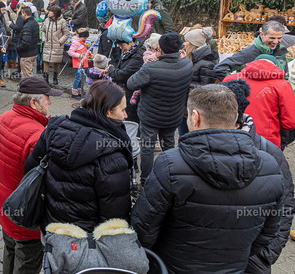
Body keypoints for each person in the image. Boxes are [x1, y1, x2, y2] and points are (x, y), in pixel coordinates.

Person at [131, 85, 284, 273]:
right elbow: (269, 232)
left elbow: (144, 227)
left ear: (195, 117)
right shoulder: (270, 165)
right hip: (234, 267)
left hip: (173, 266)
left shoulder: (170, 164)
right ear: (236, 117)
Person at [25, 80, 132, 232]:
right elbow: (115, 217)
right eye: (123, 110)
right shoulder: (113, 156)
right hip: (86, 239)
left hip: (52, 228)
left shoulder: (54, 129)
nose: (126, 115)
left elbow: (30, 169)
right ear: (108, 112)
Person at [221, 79, 295, 272]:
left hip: (252, 260)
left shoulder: (269, 153)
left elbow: (285, 206)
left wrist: (264, 255)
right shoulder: (192, 151)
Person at [0, 77, 62, 274]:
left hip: (4, 203)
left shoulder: (4, 117)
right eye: (47, 98)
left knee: (10, 250)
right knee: (27, 262)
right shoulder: (36, 135)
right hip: (24, 211)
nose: (50, 102)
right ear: (33, 103)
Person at [127, 32, 193, 185]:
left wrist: (149, 63)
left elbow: (131, 83)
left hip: (150, 116)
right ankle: (170, 177)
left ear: (160, 49)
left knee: (147, 148)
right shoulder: (187, 64)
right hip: (173, 115)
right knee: (169, 145)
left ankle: (146, 181)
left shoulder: (151, 68)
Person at [223, 55, 295, 149]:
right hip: (266, 142)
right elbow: (290, 122)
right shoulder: (282, 85)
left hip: (231, 136)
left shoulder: (230, 79)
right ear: (275, 66)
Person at [214, 20, 288, 81]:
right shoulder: (248, 53)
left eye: (279, 38)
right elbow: (220, 69)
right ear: (262, 35)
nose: (276, 42)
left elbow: (285, 76)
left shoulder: (280, 52)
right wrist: (238, 86)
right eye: (272, 38)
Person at [107, 39, 144, 121]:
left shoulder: (138, 56)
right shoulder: (128, 52)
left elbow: (122, 74)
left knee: (129, 119)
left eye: (122, 45)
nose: (121, 48)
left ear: (130, 42)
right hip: (125, 91)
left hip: (130, 93)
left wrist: (111, 70)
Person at [41, 6, 68, 86]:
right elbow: (43, 30)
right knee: (46, 60)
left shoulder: (62, 21)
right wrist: (44, 39)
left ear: (55, 13)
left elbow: (66, 33)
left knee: (56, 61)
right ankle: (45, 78)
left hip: (57, 45)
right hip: (48, 43)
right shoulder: (47, 20)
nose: (49, 12)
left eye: (51, 11)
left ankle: (55, 77)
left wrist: (60, 41)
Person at [17, 7, 39, 77]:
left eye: (21, 13)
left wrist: (18, 48)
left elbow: (26, 42)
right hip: (33, 52)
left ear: (24, 14)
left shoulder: (27, 26)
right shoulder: (35, 23)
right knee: (29, 73)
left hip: (27, 54)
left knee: (27, 76)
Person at [67, 28, 90, 98]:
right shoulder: (76, 43)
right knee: (78, 78)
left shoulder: (82, 42)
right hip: (78, 64)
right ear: (80, 36)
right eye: (84, 38)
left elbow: (83, 51)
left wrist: (89, 53)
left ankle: (79, 92)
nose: (85, 39)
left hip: (83, 63)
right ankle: (74, 93)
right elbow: (70, 52)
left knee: (81, 78)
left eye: (86, 38)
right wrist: (79, 55)